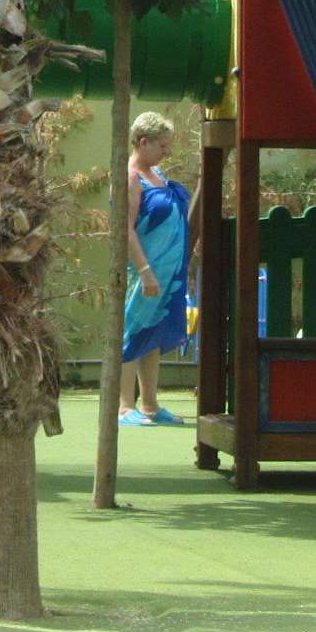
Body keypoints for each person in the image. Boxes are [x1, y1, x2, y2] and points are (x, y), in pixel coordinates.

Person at [119, 111, 198, 427]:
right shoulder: (130, 179)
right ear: (143, 142)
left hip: (168, 271)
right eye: (162, 145)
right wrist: (144, 270)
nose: (167, 151)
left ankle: (150, 404)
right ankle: (124, 407)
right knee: (132, 329)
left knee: (152, 332)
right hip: (144, 270)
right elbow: (125, 229)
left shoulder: (158, 174)